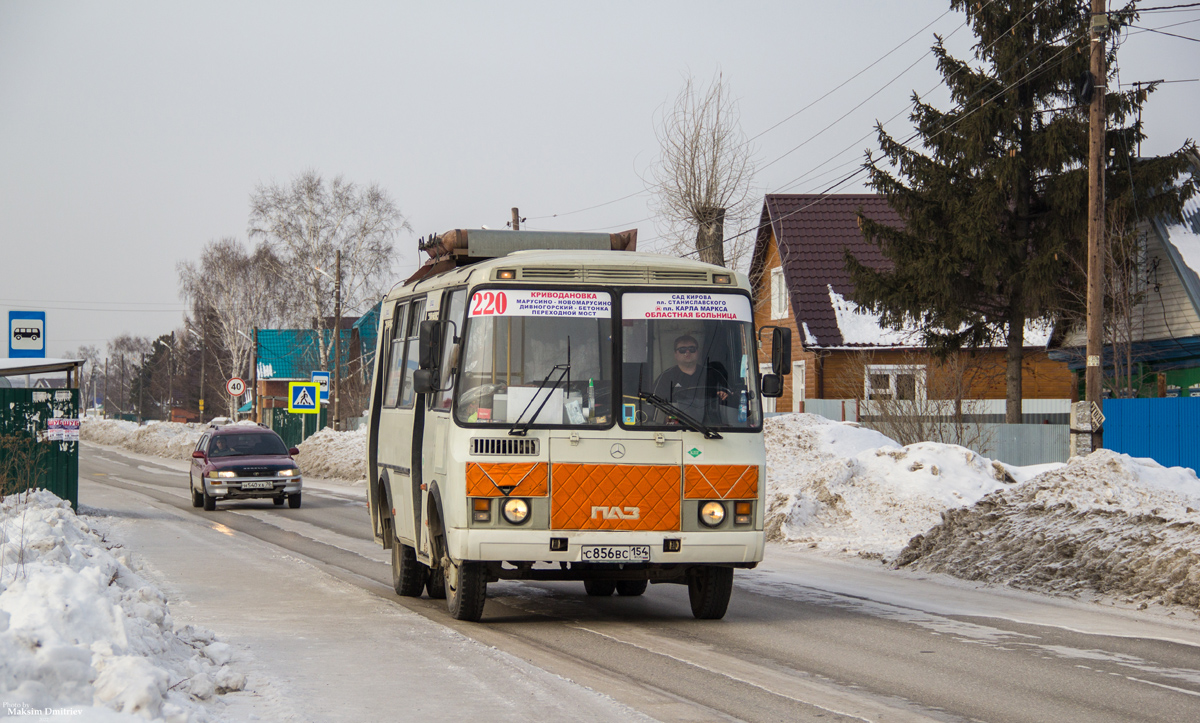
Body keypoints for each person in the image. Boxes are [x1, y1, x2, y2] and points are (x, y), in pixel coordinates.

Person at [650, 334, 729, 423]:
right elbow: (654, 405)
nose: (687, 353)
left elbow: (730, 402)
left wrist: (724, 395)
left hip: (713, 430)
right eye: (682, 350)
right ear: (675, 354)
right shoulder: (665, 378)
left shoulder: (713, 375)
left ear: (697, 352)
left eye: (692, 349)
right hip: (676, 430)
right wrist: (667, 418)